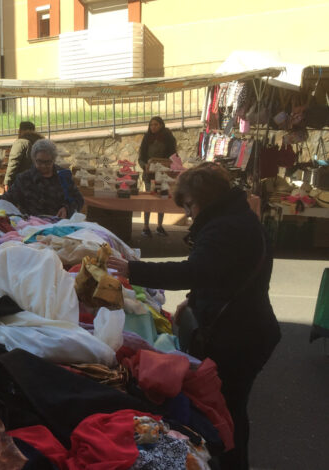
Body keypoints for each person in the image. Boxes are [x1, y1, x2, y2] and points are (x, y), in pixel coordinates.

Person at [107, 163, 280, 470]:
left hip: (239, 335)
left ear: (205, 199)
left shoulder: (225, 228)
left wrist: (134, 270)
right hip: (245, 327)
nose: (188, 214)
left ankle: (232, 463)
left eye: (189, 205)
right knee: (230, 408)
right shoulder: (235, 218)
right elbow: (221, 273)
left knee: (227, 410)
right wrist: (193, 300)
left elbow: (193, 271)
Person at [0, 139, 84, 218]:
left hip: (59, 225)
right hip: (31, 226)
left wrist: (67, 209)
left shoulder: (63, 176)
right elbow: (9, 199)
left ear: (53, 160)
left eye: (47, 162)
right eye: (39, 162)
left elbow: (78, 199)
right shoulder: (24, 178)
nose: (43, 166)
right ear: (34, 160)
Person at [138, 116, 177, 237]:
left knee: (162, 199)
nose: (153, 127)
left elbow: (173, 156)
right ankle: (145, 227)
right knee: (148, 200)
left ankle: (160, 226)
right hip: (149, 175)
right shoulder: (147, 138)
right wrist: (145, 166)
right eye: (151, 125)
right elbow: (141, 157)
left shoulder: (168, 137)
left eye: (156, 124)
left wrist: (167, 165)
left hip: (163, 175)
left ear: (161, 125)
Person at [4, 121, 43, 189]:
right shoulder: (40, 142)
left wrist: (7, 181)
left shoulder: (21, 142)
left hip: (20, 182)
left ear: (21, 130)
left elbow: (13, 163)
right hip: (36, 181)